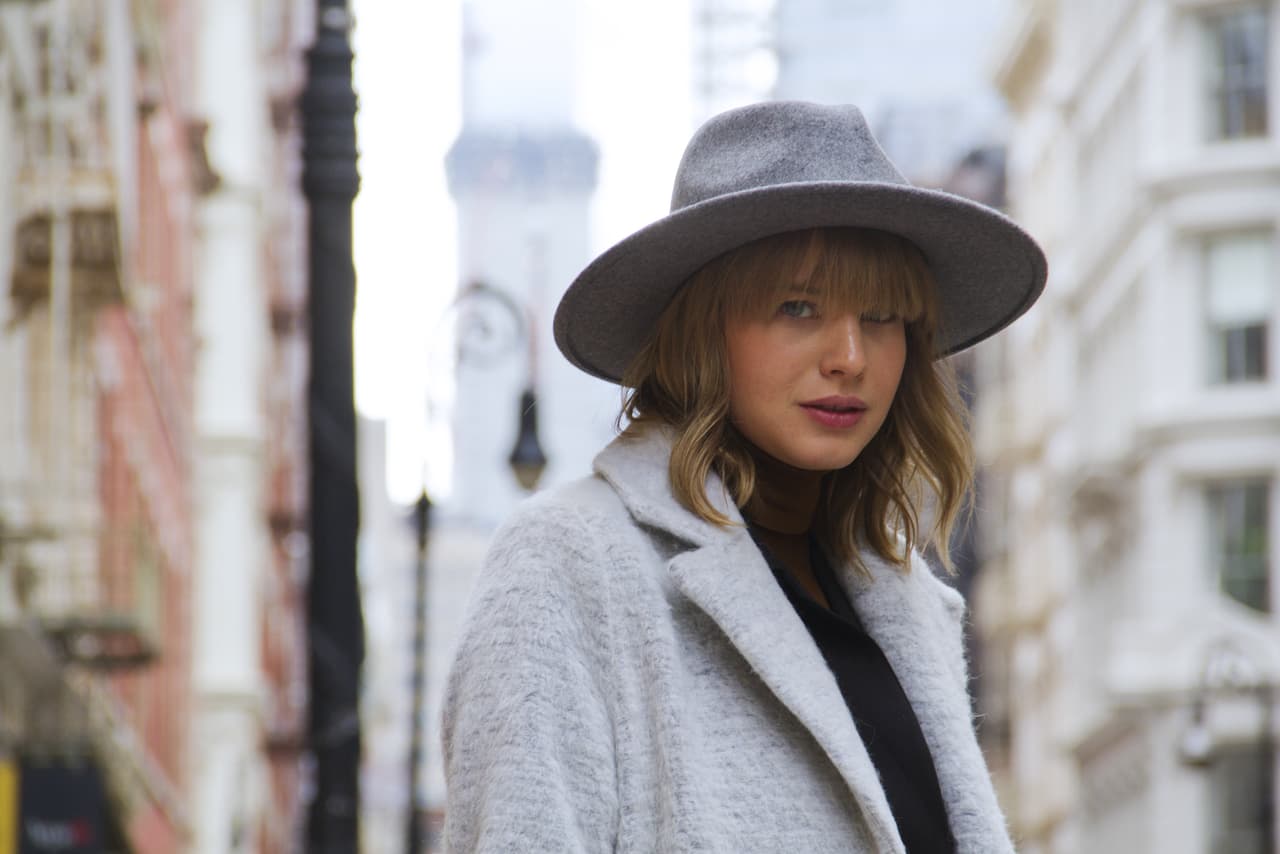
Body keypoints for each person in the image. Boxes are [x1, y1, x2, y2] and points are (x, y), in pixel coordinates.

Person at [441, 101, 1047, 853]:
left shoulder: (910, 603)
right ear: (702, 329)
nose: (850, 356)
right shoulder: (569, 563)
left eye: (885, 314)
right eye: (798, 306)